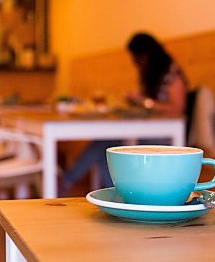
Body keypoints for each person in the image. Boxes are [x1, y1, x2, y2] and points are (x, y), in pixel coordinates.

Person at [61, 32, 189, 194]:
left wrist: (145, 102)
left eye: (137, 57)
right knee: (106, 143)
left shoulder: (172, 74)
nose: (136, 62)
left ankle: (71, 181)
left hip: (163, 134)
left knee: (106, 144)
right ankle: (112, 191)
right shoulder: (151, 74)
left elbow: (178, 109)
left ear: (146, 54)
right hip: (146, 129)